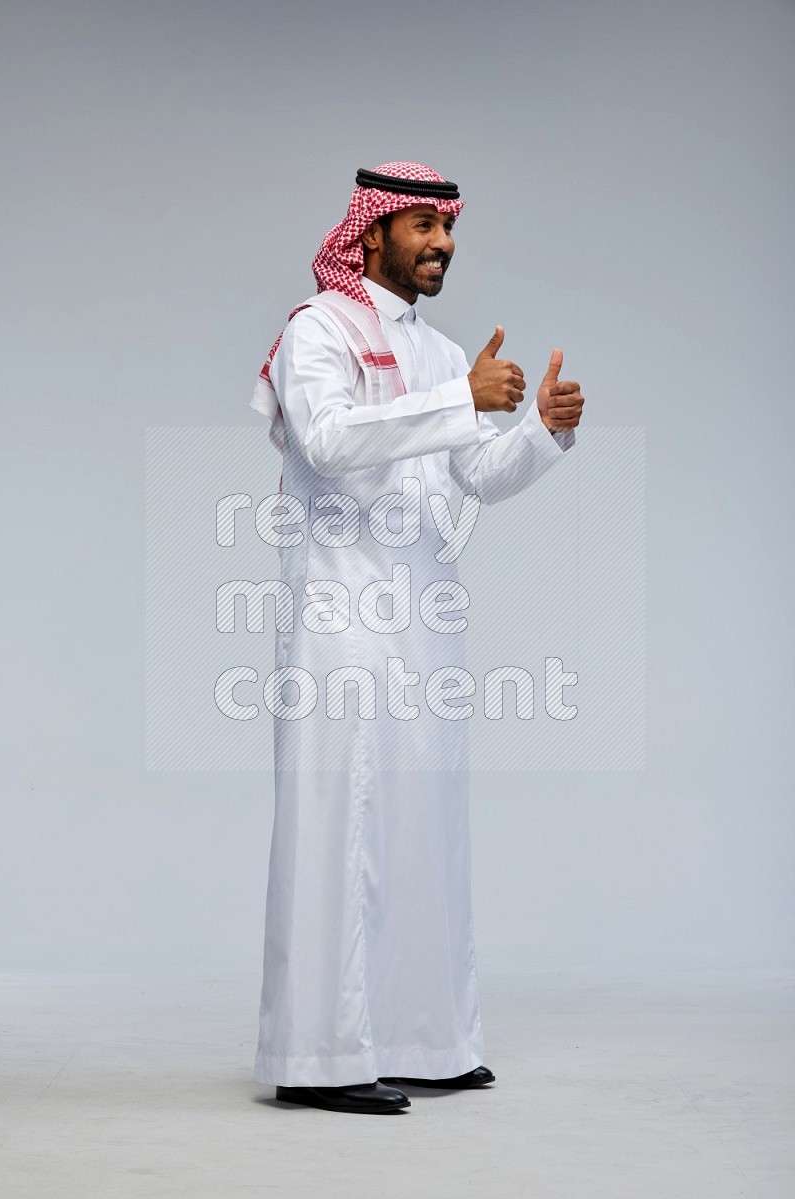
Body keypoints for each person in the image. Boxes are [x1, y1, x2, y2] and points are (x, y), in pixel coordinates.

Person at [249, 162, 584, 1115]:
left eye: (450, 228)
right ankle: (320, 1057)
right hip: (340, 626)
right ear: (371, 233)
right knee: (337, 829)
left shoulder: (440, 353)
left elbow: (473, 474)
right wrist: (459, 398)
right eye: (425, 226)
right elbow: (327, 439)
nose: (442, 243)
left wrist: (542, 435)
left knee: (423, 830)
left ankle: (427, 1038)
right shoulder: (319, 331)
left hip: (423, 628)